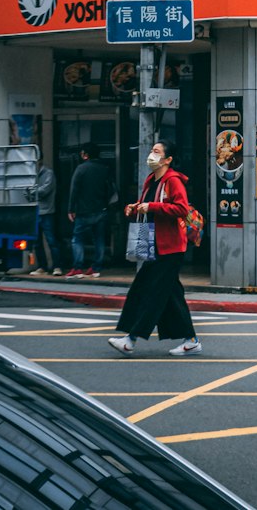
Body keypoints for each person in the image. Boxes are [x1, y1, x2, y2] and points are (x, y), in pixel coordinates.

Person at [108, 140, 201, 357]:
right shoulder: (152, 180)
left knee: (150, 292)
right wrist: (133, 208)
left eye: (156, 152)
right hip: (154, 244)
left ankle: (131, 340)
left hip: (170, 248)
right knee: (171, 295)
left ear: (168, 159)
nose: (151, 155)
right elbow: (145, 205)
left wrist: (152, 207)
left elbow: (181, 208)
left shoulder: (173, 180)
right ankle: (192, 340)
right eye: (152, 151)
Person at [67, 143, 112, 278]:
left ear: (85, 155)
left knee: (77, 239)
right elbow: (110, 189)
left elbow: (74, 190)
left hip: (83, 211)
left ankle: (78, 268)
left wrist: (71, 209)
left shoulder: (81, 169)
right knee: (99, 238)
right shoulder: (105, 169)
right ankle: (96, 268)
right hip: (101, 210)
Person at [29, 157, 63, 277]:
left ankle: (57, 266)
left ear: (40, 160)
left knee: (51, 240)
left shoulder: (48, 173)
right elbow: (25, 191)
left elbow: (45, 191)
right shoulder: (30, 174)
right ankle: (42, 266)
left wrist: (32, 191)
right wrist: (31, 192)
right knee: (36, 242)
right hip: (35, 211)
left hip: (47, 211)